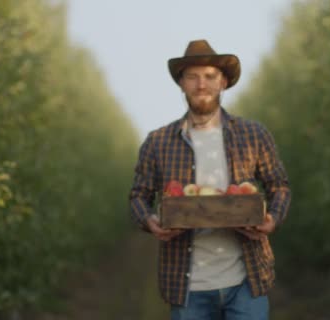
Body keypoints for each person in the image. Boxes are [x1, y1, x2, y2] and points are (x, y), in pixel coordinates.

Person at [129, 39, 291, 320]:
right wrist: (151, 222)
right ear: (181, 84)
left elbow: (279, 186)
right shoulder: (158, 142)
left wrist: (272, 219)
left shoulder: (253, 135)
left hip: (246, 282)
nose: (201, 84)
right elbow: (138, 197)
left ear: (223, 82)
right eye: (192, 77)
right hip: (187, 284)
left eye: (209, 76)